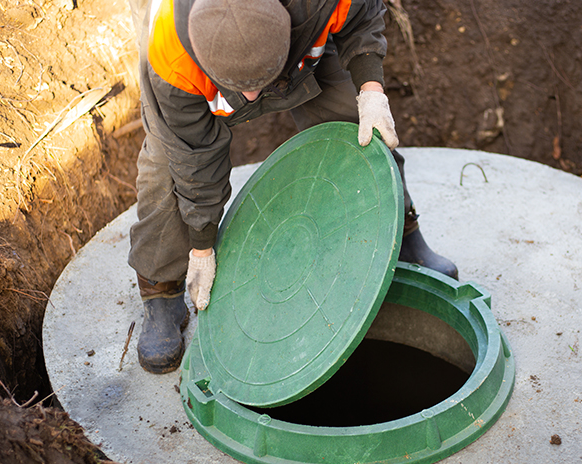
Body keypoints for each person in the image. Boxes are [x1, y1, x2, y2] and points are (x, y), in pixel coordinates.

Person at [127, 0, 458, 374]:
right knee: (167, 170)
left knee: (358, 127)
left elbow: (362, 17)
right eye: (243, 90)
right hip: (192, 80)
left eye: (258, 86)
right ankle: (161, 290)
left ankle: (399, 229)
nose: (251, 100)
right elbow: (195, 160)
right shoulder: (170, 57)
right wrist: (201, 246)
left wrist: (370, 89)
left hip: (299, 53)